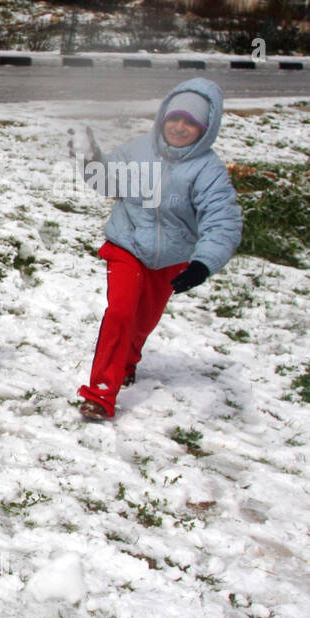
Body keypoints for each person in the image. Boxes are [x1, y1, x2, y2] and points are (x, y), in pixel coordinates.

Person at [73, 77, 243, 420]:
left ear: (206, 128)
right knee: (120, 313)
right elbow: (107, 179)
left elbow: (223, 220)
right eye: (175, 118)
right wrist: (91, 158)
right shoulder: (138, 150)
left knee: (142, 322)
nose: (180, 128)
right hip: (128, 245)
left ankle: (128, 360)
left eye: (191, 123)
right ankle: (100, 394)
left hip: (171, 259)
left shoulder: (208, 171)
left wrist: (202, 263)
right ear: (163, 116)